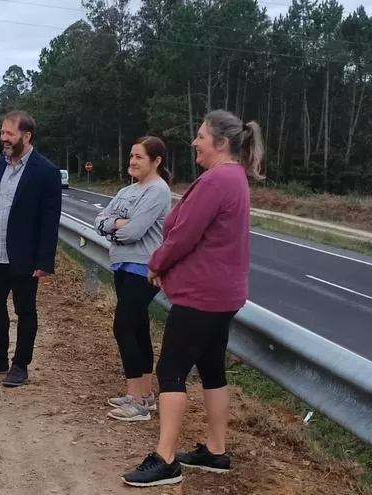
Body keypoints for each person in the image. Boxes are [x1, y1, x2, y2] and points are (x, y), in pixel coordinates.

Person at [122, 109, 263, 487]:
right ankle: (215, 451)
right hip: (224, 293)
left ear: (221, 142)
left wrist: (156, 263)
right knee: (212, 368)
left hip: (201, 294)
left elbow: (184, 233)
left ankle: (165, 459)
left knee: (171, 370)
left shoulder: (216, 180)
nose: (194, 142)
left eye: (201, 136)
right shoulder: (236, 177)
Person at [0, 110, 63, 387]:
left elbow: (50, 220)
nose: (4, 138)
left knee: (25, 311)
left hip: (24, 256)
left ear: (26, 136)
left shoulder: (46, 172)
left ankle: (20, 365)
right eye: (2, 132)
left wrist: (44, 260)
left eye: (10, 133)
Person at [95, 136, 171, 422]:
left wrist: (113, 227)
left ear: (156, 161)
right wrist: (116, 224)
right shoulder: (127, 190)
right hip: (122, 264)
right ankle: (146, 395)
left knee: (123, 327)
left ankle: (135, 401)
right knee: (138, 328)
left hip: (144, 267)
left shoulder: (158, 190)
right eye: (131, 156)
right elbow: (99, 220)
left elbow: (134, 232)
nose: (132, 161)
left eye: (139, 157)